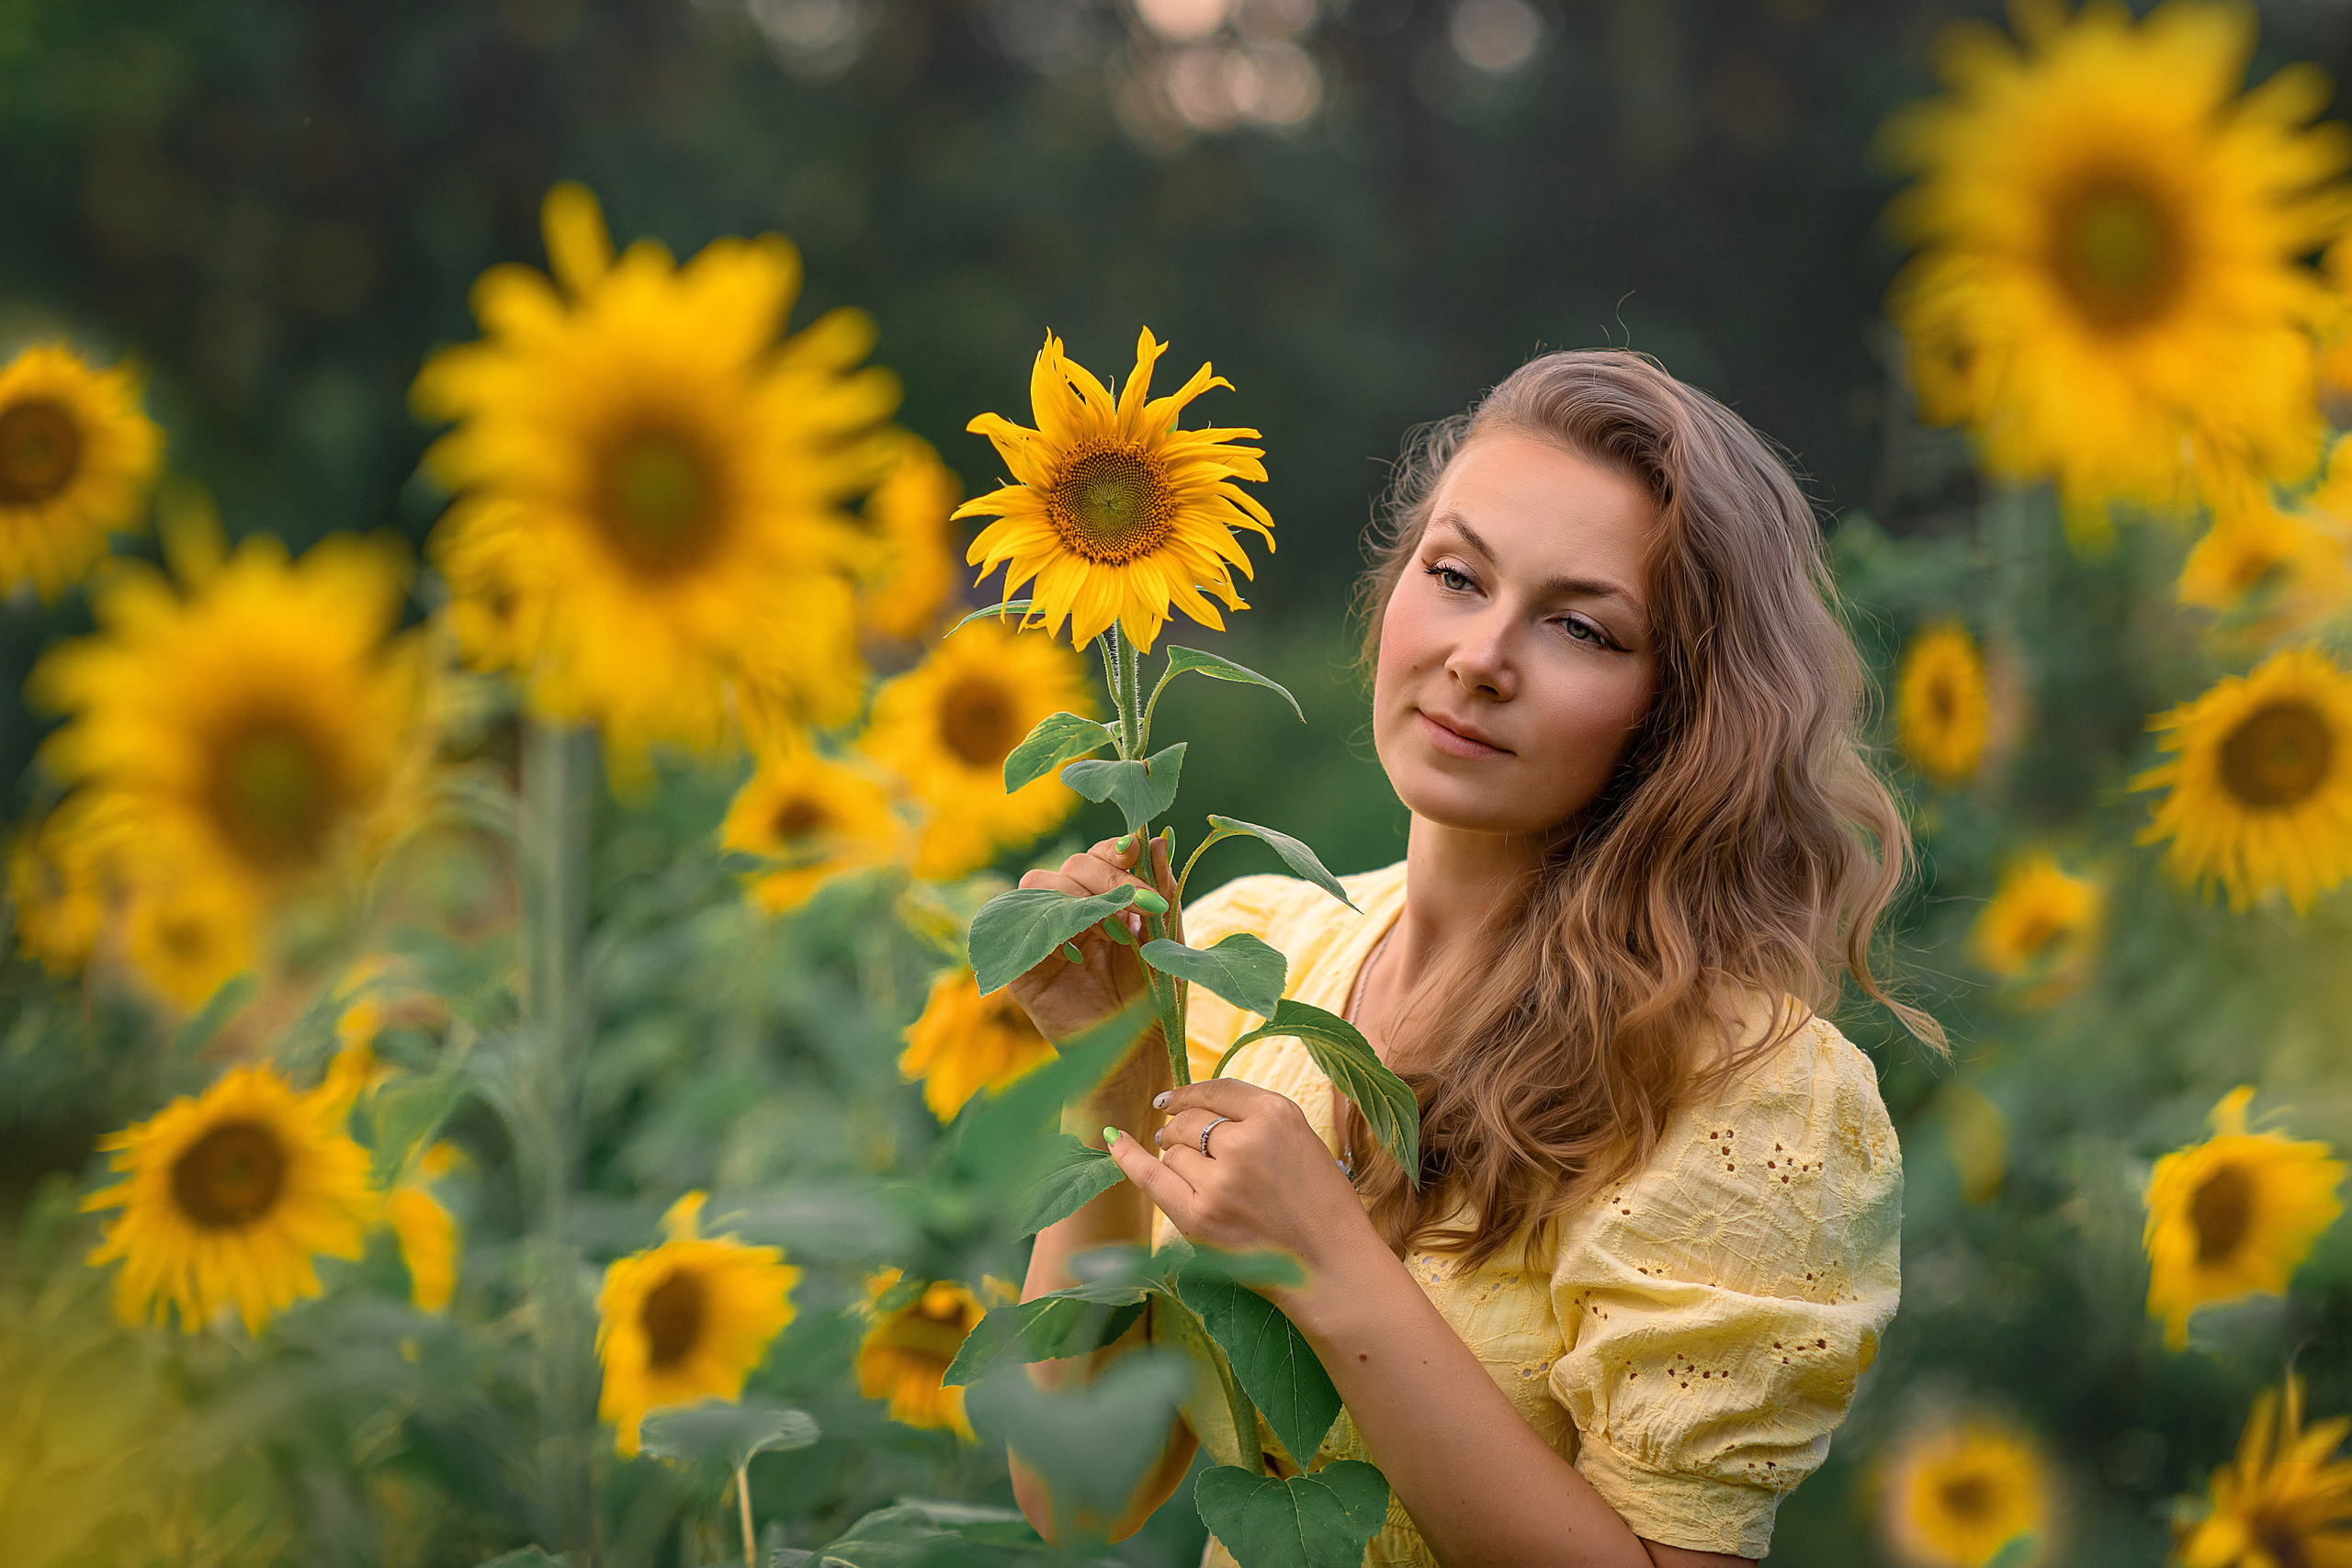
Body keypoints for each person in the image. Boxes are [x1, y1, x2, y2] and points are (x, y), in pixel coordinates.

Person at [1004, 349, 1940, 1568]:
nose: (1482, 655)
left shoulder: (1744, 1092)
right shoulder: (1250, 953)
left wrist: (1331, 1262)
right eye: (1456, 576)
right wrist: (1116, 1073)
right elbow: (1079, 1501)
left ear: (1682, 713)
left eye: (1580, 627)